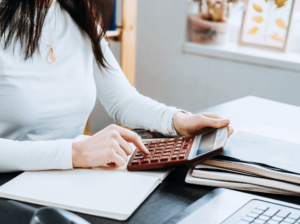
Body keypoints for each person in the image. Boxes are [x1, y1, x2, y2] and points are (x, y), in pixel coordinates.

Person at [0, 0, 233, 172]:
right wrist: (74, 152)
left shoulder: (80, 17)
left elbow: (122, 100)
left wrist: (177, 121)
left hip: (68, 177)